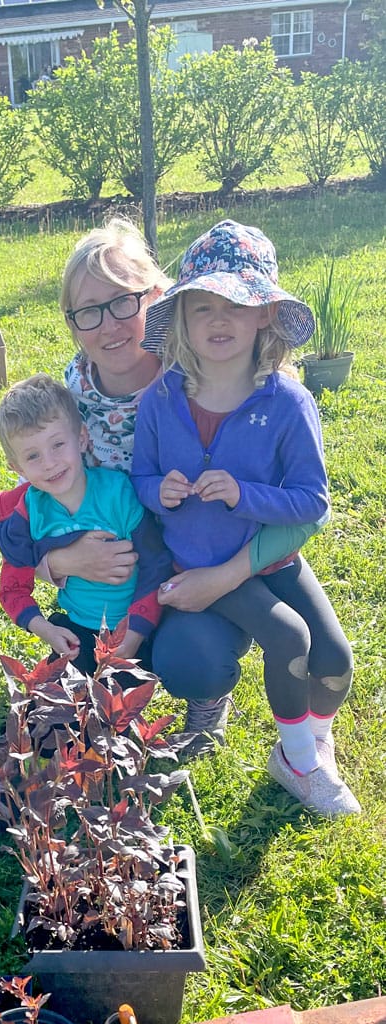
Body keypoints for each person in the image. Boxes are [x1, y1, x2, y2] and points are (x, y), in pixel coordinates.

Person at [36, 216, 325, 754]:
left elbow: (306, 505)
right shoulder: (67, 398)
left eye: (124, 301)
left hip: (213, 559)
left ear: (161, 297)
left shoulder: (218, 370)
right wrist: (59, 562)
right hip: (120, 574)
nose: (109, 325)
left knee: (191, 659)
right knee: (67, 690)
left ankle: (205, 694)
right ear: (72, 323)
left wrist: (224, 576)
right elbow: (33, 504)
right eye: (88, 312)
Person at [131, 220, 358, 817]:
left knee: (334, 659)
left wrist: (244, 494)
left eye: (237, 303)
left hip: (270, 558)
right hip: (199, 562)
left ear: (266, 315)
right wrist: (165, 492)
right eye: (201, 306)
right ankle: (297, 763)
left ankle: (313, 734)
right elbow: (141, 480)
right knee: (289, 639)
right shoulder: (159, 400)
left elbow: (312, 501)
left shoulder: (287, 403)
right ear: (180, 320)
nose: (218, 319)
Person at [0, 375, 169, 670]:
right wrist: (46, 630)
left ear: (82, 438)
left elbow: (156, 563)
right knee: (56, 714)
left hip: (137, 626)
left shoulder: (118, 493)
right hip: (76, 632)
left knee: (113, 712)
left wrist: (137, 631)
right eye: (33, 455)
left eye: (58, 444)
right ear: (17, 467)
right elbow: (12, 588)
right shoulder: (27, 513)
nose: (49, 463)